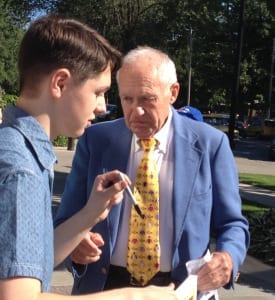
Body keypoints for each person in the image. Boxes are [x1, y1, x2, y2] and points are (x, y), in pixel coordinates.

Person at [0, 17, 177, 300]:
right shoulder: (22, 170)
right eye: (98, 92)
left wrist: (92, 211)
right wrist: (137, 297)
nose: (101, 107)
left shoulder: (13, 146)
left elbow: (31, 258)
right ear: (59, 83)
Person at [54, 46, 250, 295]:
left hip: (180, 289)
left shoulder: (209, 144)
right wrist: (76, 245)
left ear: (173, 93)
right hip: (104, 287)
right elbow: (65, 219)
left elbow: (233, 223)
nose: (136, 111)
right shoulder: (95, 140)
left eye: (147, 98)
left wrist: (228, 258)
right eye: (127, 99)